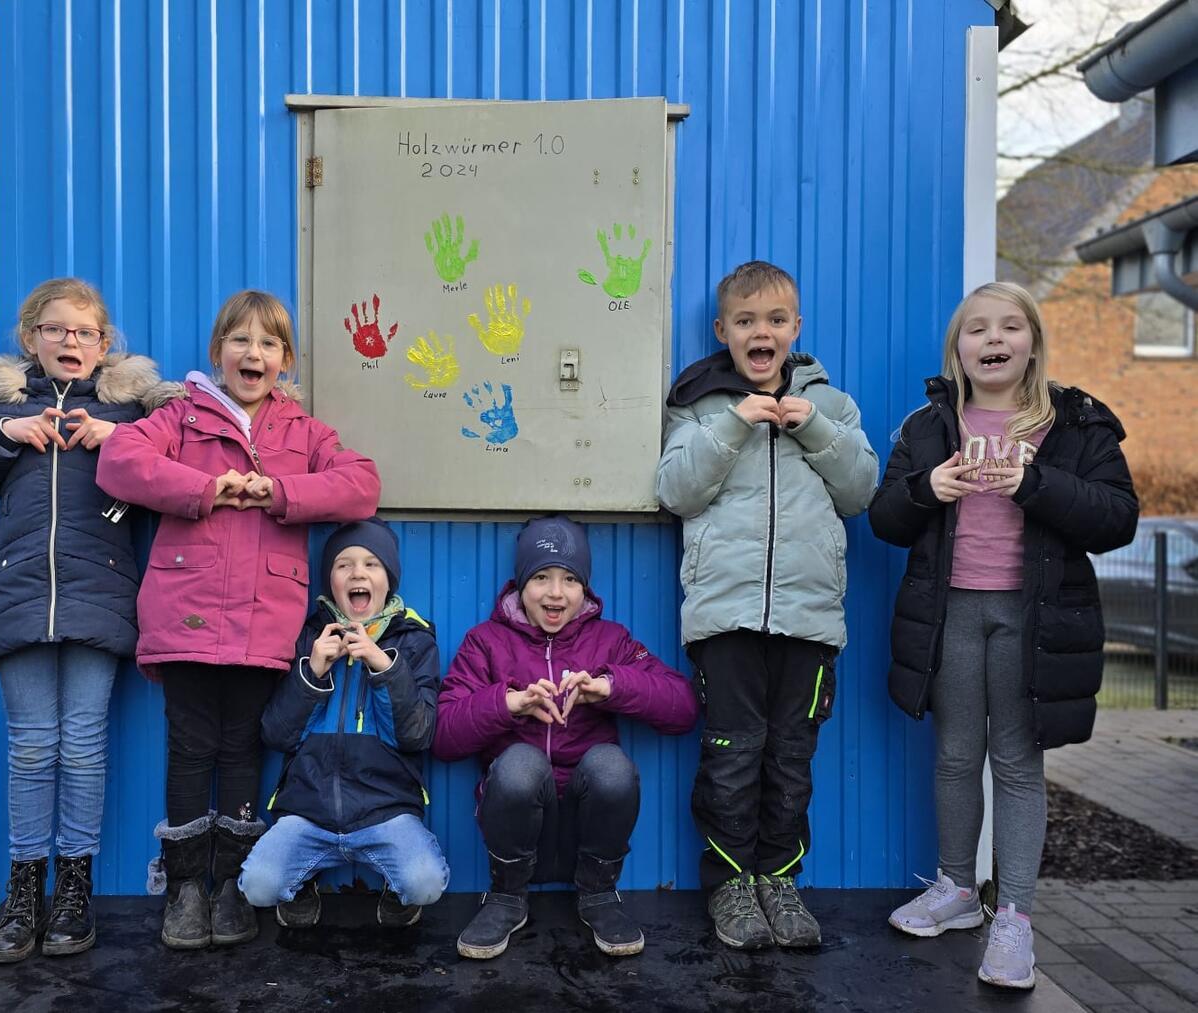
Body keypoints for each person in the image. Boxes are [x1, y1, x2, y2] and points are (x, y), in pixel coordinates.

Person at [870, 281, 1137, 989]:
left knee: (1017, 760)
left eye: (1009, 327)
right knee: (956, 753)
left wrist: (1034, 482)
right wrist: (929, 487)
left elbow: (1117, 518)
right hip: (951, 611)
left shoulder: (1076, 424)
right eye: (976, 329)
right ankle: (958, 889)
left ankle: (1013, 914)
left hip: (1032, 618)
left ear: (1032, 342)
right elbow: (885, 517)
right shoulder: (929, 427)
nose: (993, 339)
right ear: (957, 350)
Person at [96, 290, 380, 949]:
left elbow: (360, 483)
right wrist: (205, 487)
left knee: (245, 749)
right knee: (192, 749)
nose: (253, 353)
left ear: (285, 360)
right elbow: (118, 462)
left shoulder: (303, 432)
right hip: (185, 618)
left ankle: (233, 885)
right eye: (240, 341)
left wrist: (278, 491)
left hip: (263, 624)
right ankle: (186, 888)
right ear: (217, 352)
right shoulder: (183, 419)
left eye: (269, 344)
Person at [656, 260, 878, 950]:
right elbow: (675, 490)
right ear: (723, 331)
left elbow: (862, 488)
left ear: (795, 329)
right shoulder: (698, 405)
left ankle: (779, 878)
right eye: (747, 321)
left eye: (776, 320)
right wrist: (731, 425)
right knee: (730, 753)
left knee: (791, 758)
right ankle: (729, 884)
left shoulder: (832, 406)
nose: (763, 331)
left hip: (809, 623)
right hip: (726, 621)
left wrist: (814, 426)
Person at [0, 278, 163, 962]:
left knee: (83, 743)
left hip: (99, 598)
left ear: (105, 346)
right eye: (57, 330)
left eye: (85, 332)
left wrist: (113, 440)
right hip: (19, 599)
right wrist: (6, 434)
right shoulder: (0, 407)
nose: (72, 342)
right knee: (32, 746)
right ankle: (24, 888)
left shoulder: (127, 414)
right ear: (32, 337)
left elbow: (164, 478)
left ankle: (74, 889)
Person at [434, 515, 699, 959]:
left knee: (612, 766)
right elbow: (442, 736)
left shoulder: (611, 641)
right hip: (515, 821)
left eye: (570, 579)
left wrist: (612, 688)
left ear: (585, 589)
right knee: (519, 763)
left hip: (588, 821)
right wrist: (509, 703)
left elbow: (684, 708)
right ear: (520, 584)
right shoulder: (485, 642)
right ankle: (506, 896)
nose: (556, 593)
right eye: (541, 577)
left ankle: (598, 893)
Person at [238, 519, 448, 927]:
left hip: (385, 813)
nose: (357, 574)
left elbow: (416, 735)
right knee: (258, 887)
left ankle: (395, 885)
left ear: (388, 579)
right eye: (343, 565)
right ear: (330, 580)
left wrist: (384, 667)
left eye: (371, 564)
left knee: (425, 882)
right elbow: (276, 734)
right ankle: (305, 879)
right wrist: (312, 671)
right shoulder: (306, 639)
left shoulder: (413, 642)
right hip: (307, 813)